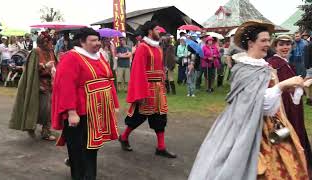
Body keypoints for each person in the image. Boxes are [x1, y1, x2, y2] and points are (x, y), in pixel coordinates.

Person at [188, 20, 308, 180]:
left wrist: (295, 86)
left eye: (268, 40)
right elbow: (257, 104)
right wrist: (283, 86)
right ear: (251, 43)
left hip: (273, 125)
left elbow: (272, 102)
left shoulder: (264, 65)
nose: (268, 44)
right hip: (246, 127)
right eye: (263, 40)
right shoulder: (244, 69)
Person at [51, 28, 119, 180]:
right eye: (93, 40)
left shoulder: (100, 56)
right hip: (79, 113)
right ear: (82, 42)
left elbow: (108, 80)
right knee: (78, 151)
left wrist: (114, 103)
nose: (97, 43)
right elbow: (66, 86)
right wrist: (71, 112)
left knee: (92, 148)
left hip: (96, 112)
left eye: (98, 40)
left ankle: (89, 176)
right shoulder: (71, 58)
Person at [118, 21, 177, 158]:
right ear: (150, 31)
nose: (160, 32)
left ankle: (161, 147)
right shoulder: (143, 48)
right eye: (157, 29)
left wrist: (163, 83)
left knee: (160, 117)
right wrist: (140, 92)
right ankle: (124, 137)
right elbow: (138, 71)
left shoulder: (158, 48)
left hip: (158, 89)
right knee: (138, 116)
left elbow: (160, 69)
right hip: (146, 88)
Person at [268, 34, 312, 174]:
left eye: (288, 44)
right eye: (281, 44)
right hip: (285, 109)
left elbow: (292, 87)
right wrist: (303, 84)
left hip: (294, 107)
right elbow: (280, 89)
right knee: (287, 138)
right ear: (275, 47)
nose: (285, 47)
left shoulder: (287, 64)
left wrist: (304, 82)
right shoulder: (275, 64)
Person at [9, 32, 56, 141]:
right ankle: (31, 127)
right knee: (37, 108)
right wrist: (45, 66)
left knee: (49, 109)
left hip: (50, 84)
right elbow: (31, 69)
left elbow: (56, 64)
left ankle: (46, 131)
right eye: (50, 42)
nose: (51, 44)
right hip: (38, 85)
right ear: (44, 42)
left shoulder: (51, 51)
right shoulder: (36, 52)